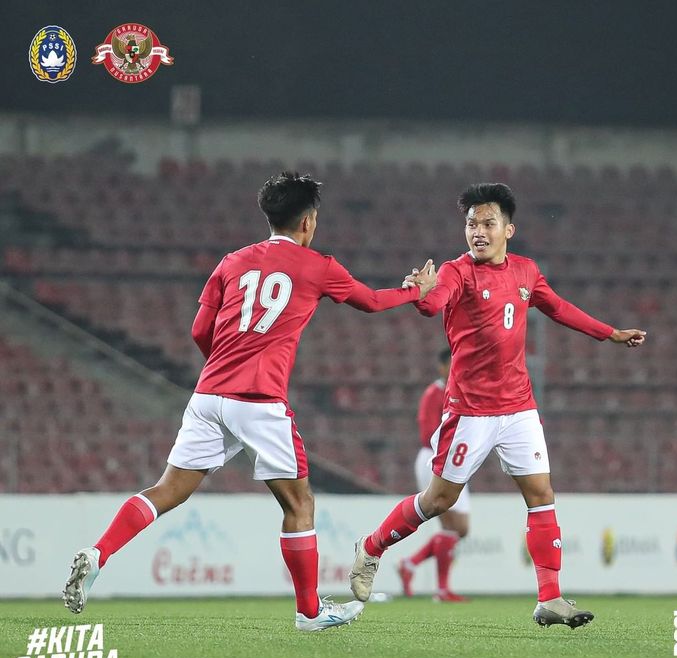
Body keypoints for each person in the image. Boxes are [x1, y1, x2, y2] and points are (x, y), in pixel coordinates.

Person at [62, 171, 437, 632]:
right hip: (259, 401)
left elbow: (200, 331)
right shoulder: (318, 265)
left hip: (208, 394)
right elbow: (373, 302)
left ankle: (99, 552)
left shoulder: (231, 262)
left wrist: (224, 368)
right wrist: (415, 290)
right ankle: (309, 612)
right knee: (299, 504)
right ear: (308, 222)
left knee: (166, 490)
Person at [349, 182, 646, 628]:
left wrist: (610, 332)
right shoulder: (456, 272)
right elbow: (433, 306)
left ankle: (550, 598)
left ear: (510, 228)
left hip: (519, 408)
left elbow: (560, 308)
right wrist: (422, 292)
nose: (478, 232)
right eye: (471, 224)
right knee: (438, 500)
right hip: (469, 410)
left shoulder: (526, 271)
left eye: (488, 223)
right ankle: (372, 546)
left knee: (542, 495)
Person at [398, 347, 470, 602]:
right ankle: (441, 590)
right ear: (442, 367)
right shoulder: (434, 393)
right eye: (452, 363)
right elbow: (428, 431)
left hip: (456, 460)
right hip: (435, 459)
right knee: (450, 524)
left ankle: (410, 563)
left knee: (461, 527)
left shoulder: (463, 391)